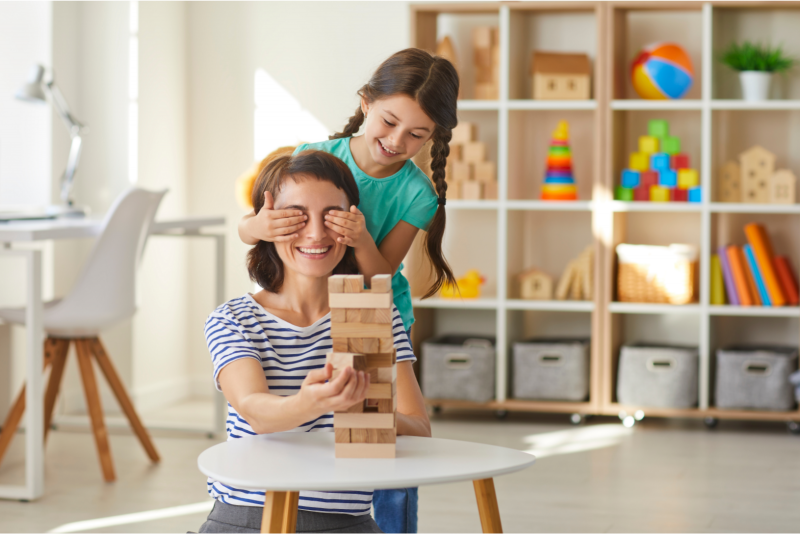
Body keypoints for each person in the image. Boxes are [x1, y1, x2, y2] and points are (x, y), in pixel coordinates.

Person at [238, 49, 459, 532]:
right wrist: (257, 225)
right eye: (389, 122)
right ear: (366, 103)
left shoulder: (418, 194)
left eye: (417, 134)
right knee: (322, 422)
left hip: (372, 312)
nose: (396, 141)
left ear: (433, 137)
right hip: (313, 306)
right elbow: (249, 229)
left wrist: (361, 240)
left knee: (381, 434)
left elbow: (381, 276)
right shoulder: (316, 156)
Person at [199, 150, 431, 534]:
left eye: (332, 216)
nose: (316, 234)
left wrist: (364, 416)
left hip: (347, 523)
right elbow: (255, 411)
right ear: (267, 224)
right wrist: (311, 403)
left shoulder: (368, 314)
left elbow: (419, 427)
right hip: (249, 519)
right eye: (297, 216)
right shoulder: (235, 319)